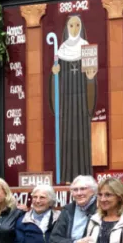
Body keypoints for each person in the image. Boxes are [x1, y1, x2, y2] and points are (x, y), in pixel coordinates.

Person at [49, 14, 98, 181]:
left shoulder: (87, 48)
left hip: (82, 104)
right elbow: (55, 82)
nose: (75, 29)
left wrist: (91, 78)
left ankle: (85, 176)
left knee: (83, 140)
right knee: (66, 139)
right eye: (71, 25)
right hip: (66, 104)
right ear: (67, 29)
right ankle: (67, 176)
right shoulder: (60, 51)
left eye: (77, 25)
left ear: (81, 28)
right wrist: (54, 74)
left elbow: (92, 78)